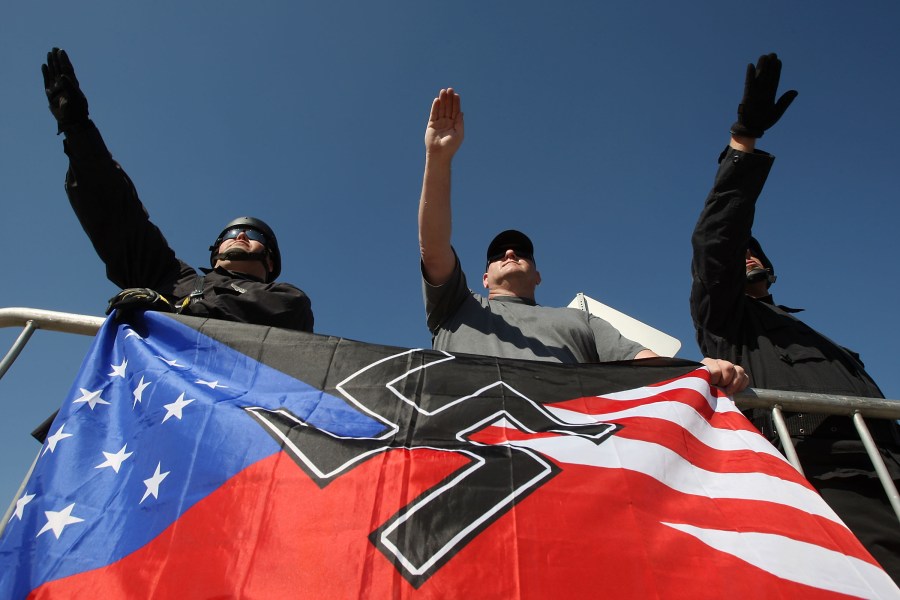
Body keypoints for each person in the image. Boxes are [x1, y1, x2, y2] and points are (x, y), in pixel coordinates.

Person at [690, 52, 900, 579]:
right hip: (829, 479)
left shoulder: (809, 330)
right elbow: (717, 236)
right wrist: (743, 143)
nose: (749, 255)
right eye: (742, 251)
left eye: (756, 249)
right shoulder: (726, 320)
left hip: (889, 467)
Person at [418, 87, 747, 394]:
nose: (509, 252)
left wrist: (701, 372)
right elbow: (434, 249)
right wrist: (438, 156)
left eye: (523, 252)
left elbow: (645, 363)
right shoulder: (457, 305)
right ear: (484, 277)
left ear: (538, 276)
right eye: (496, 254)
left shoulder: (580, 321)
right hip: (469, 446)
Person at [41, 48, 313, 333]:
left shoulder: (285, 298)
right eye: (230, 234)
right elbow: (117, 215)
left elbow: (287, 316)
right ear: (216, 249)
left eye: (253, 235)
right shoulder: (171, 277)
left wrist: (173, 310)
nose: (241, 235)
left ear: (270, 258)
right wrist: (78, 129)